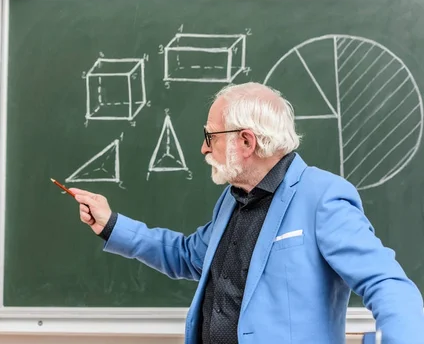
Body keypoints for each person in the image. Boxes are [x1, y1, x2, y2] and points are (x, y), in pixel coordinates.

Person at [70, 82, 424, 344]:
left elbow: (386, 283)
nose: (203, 147)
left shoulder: (322, 197)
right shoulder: (232, 199)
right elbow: (187, 255)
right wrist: (111, 224)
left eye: (211, 137)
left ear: (246, 141)